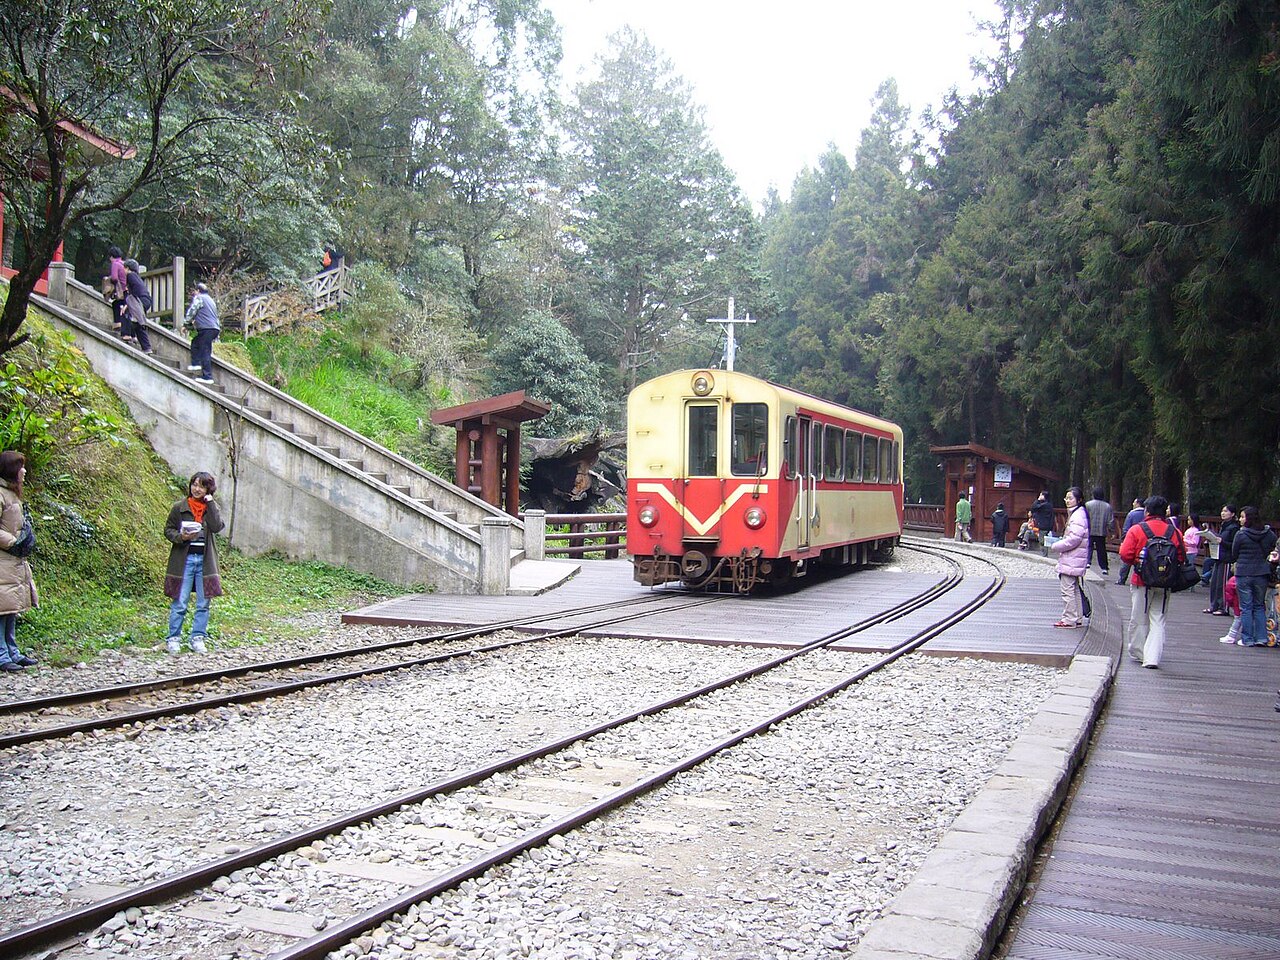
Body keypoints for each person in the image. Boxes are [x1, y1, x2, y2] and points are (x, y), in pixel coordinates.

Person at [1119, 495, 1185, 669]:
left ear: (1147, 511)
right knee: (1158, 618)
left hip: (1141, 580)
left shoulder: (1137, 529)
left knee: (1139, 617)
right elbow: (1181, 556)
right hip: (1165, 582)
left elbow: (1125, 554)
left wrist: (1138, 562)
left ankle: (1139, 652)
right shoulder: (1174, 532)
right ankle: (1152, 658)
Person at [164, 471, 225, 654]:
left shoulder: (211, 508)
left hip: (205, 562)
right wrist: (181, 537)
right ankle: (173, 639)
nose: (197, 489)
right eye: (194, 485)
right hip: (184, 560)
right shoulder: (179, 507)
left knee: (203, 603)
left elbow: (217, 527)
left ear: (208, 489)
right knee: (180, 602)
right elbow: (168, 530)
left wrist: (210, 503)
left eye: (202, 486)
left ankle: (197, 638)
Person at [0, 451, 39, 671]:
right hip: (4, 559)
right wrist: (14, 542)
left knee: (11, 608)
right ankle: (2, 655)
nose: (24, 471)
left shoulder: (12, 494)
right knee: (2, 610)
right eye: (20, 466)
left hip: (13, 561)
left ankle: (12, 652)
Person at [1230, 505, 1277, 648]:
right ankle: (1261, 638)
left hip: (1244, 572)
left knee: (1246, 607)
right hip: (1261, 573)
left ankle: (1247, 639)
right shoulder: (1268, 533)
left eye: (1242, 517)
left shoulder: (1241, 534)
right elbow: (1274, 546)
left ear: (1248, 519)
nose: (1240, 519)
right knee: (1259, 606)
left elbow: (1234, 554)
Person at [1050, 486, 1090, 628]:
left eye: (1070, 498)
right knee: (1074, 589)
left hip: (1072, 558)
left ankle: (1069, 618)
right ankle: (1077, 617)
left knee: (1067, 589)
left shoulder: (1077, 516)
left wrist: (1056, 546)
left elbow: (1074, 539)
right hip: (1075, 557)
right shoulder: (1079, 513)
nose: (1067, 501)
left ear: (1079, 500)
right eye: (1066, 498)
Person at [183, 282, 221, 383]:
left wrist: (185, 324)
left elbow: (192, 311)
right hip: (214, 328)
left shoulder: (199, 298)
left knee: (205, 351)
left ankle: (207, 377)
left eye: (195, 291)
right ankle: (196, 364)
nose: (194, 293)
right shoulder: (210, 300)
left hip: (207, 329)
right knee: (195, 342)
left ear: (198, 291)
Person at [1206, 504, 1239, 615]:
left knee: (1222, 583)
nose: (1223, 513)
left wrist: (1222, 541)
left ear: (1232, 514)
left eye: (1226, 511)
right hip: (1218, 557)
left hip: (1227, 558)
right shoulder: (1223, 525)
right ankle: (1213, 605)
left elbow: (1234, 545)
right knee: (1214, 583)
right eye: (1222, 511)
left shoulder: (1234, 528)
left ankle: (1223, 607)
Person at [122, 259, 154, 354]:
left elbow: (135, 291)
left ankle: (127, 335)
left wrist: (128, 305)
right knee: (138, 323)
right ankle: (146, 347)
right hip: (146, 300)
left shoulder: (130, 275)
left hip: (139, 300)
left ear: (127, 268)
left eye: (124, 268)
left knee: (126, 313)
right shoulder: (137, 277)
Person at [1115, 498, 1147, 585]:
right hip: (1144, 541)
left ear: (1138, 504)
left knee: (1127, 561)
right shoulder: (1146, 514)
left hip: (1132, 539)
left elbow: (1126, 528)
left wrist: (1124, 540)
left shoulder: (1132, 514)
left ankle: (1122, 579)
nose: (1133, 504)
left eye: (1134, 502)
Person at [1084, 487, 1114, 575]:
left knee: (1088, 546)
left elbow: (1084, 517)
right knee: (1101, 549)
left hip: (1089, 529)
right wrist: (1112, 531)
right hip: (1101, 531)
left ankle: (1087, 562)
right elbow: (1110, 520)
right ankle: (1104, 567)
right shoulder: (1107, 506)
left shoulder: (1088, 504)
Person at [107, 245, 128, 336]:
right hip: (127, 290)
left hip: (121, 290)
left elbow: (115, 278)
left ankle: (117, 324)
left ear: (112, 256)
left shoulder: (115, 264)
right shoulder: (124, 264)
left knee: (115, 304)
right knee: (124, 308)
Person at [1218, 574, 1242, 645]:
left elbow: (1229, 596)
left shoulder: (1233, 580)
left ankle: (1231, 636)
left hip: (1237, 604)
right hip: (1250, 605)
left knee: (1237, 619)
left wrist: (1230, 604)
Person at [1183, 514, 1202, 585]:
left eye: (1189, 519)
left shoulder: (1196, 530)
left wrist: (1184, 540)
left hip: (1191, 551)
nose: (1188, 521)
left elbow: (1195, 542)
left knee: (1190, 568)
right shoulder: (1189, 529)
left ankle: (1191, 583)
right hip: (1186, 550)